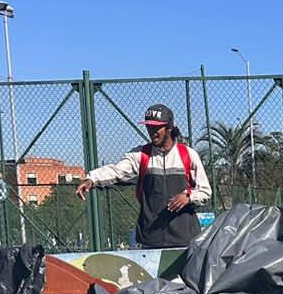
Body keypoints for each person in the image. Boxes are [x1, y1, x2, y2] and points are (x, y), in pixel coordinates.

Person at [77, 104, 211, 249]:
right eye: (149, 127)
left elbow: (205, 191)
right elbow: (116, 171)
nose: (152, 131)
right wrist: (91, 179)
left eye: (156, 127)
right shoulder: (141, 155)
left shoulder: (188, 155)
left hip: (186, 241)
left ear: (169, 128)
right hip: (150, 241)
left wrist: (188, 197)